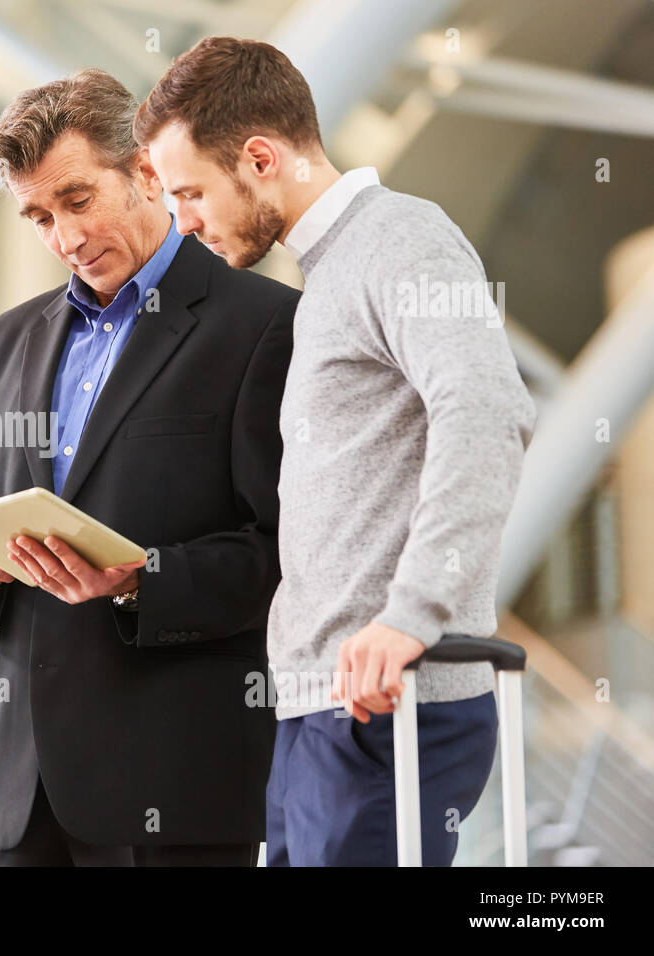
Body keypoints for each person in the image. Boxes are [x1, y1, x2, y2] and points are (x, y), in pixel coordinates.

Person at [136, 36, 538, 865]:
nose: (185, 223)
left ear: (259, 157)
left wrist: (411, 613)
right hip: (318, 712)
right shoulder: (325, 279)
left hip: (391, 705)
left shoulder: (401, 239)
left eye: (191, 193)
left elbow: (489, 411)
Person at [0, 68, 300, 866]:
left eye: (76, 200)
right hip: (20, 794)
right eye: (38, 216)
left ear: (143, 170)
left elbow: (285, 554)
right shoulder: (9, 340)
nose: (64, 239)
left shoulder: (262, 325)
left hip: (175, 786)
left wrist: (140, 579)